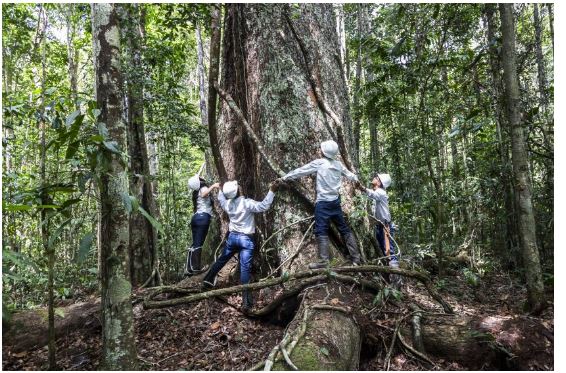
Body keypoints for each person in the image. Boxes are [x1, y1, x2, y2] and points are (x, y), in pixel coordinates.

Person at [279, 140, 361, 269]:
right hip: (335, 203)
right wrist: (356, 181)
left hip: (323, 204)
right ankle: (356, 258)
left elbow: (302, 171)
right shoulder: (339, 165)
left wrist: (285, 177)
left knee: (321, 230)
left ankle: (324, 261)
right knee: (344, 229)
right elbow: (352, 176)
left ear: (323, 152)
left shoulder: (320, 163)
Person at [202, 180, 279, 310]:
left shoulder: (227, 204)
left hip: (233, 238)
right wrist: (272, 190)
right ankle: (247, 303)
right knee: (245, 270)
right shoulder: (247, 203)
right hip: (245, 240)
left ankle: (207, 280)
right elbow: (263, 206)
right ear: (238, 190)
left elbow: (221, 197)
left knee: (222, 260)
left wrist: (220, 188)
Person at [356, 173, 400, 269]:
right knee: (382, 248)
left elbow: (372, 194)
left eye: (376, 178)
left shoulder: (380, 192)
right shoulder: (378, 191)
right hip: (380, 225)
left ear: (379, 183)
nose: (374, 178)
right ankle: (387, 270)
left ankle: (396, 273)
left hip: (385, 225)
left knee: (389, 250)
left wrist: (362, 188)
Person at [186, 175, 220, 276]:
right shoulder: (203, 188)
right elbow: (204, 194)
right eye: (200, 177)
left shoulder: (195, 192)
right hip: (203, 218)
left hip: (196, 218)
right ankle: (195, 268)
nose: (202, 176)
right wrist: (214, 186)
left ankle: (189, 268)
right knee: (198, 244)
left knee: (195, 243)